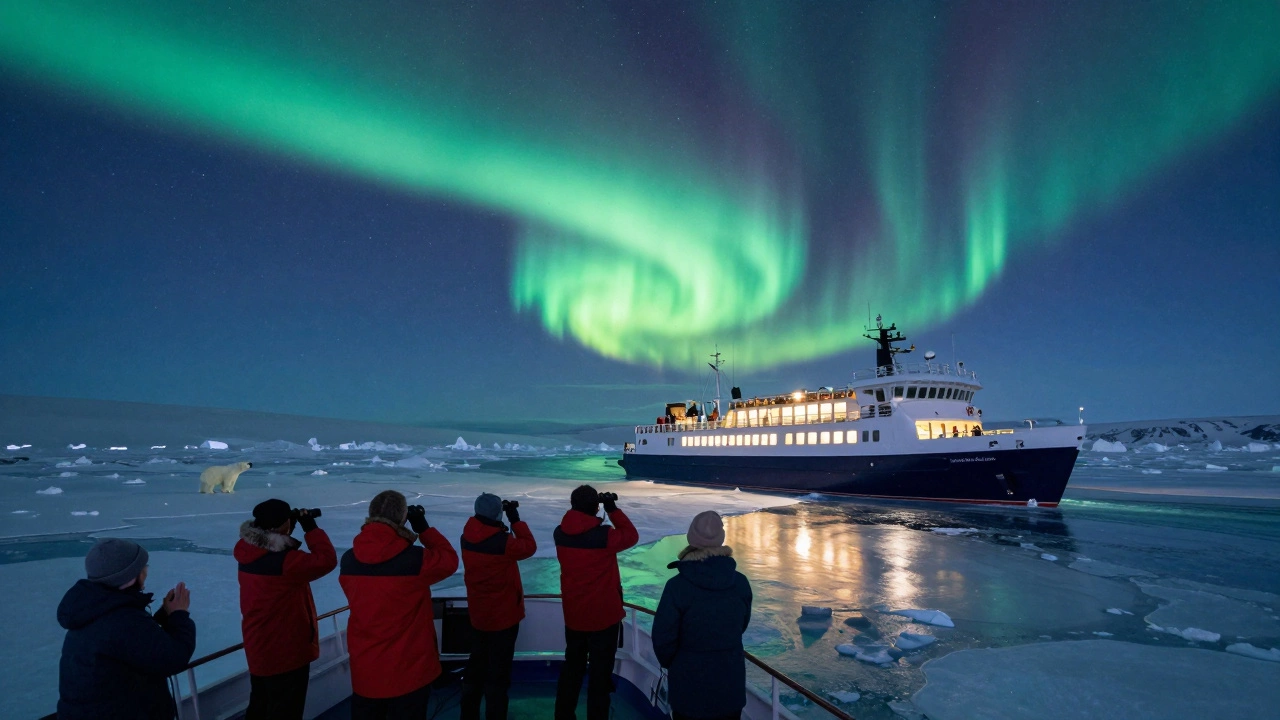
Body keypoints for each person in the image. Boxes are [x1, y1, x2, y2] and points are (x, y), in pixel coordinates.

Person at [340, 490, 459, 720]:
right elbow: (449, 560)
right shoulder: (414, 560)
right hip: (409, 671)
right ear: (403, 518)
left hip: (366, 670)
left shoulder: (349, 560)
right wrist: (424, 528)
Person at [57, 538, 196, 719]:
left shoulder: (92, 609)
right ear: (130, 577)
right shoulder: (122, 620)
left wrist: (164, 615)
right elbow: (174, 657)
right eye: (143, 567)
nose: (146, 571)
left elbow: (132, 646)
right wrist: (179, 615)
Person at [236, 499, 337, 720]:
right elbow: (327, 560)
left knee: (261, 705)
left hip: (258, 646)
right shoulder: (286, 562)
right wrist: (310, 528)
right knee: (285, 711)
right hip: (286, 651)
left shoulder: (246, 550)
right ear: (284, 526)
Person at [651, 511, 752, 720]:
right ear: (720, 539)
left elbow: (663, 638)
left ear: (691, 539)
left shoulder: (677, 587)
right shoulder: (740, 583)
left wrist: (678, 663)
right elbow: (741, 624)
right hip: (729, 685)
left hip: (689, 687)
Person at [553, 485, 639, 720]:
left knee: (572, 669)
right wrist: (612, 509)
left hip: (574, 615)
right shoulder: (604, 537)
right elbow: (631, 535)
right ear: (595, 507)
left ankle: (563, 715)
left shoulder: (559, 533)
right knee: (600, 678)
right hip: (604, 617)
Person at [459, 493, 537, 720]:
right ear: (497, 514)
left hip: (479, 615)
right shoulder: (503, 543)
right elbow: (529, 547)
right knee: (498, 676)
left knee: (475, 668)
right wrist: (515, 520)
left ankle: (468, 714)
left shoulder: (467, 536)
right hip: (503, 618)